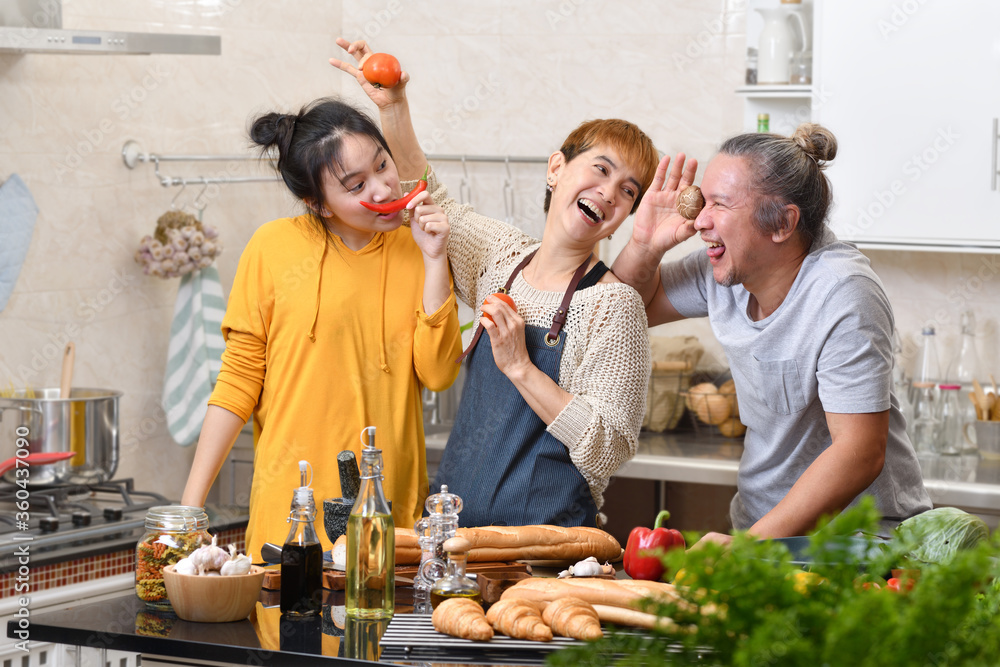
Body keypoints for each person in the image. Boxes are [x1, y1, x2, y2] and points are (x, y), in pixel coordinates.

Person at [331, 39, 656, 528]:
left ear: (623, 216)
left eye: (627, 191)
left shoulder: (615, 306)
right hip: (456, 545)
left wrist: (522, 368)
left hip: (544, 557)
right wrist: (395, 107)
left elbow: (607, 446)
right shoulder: (500, 257)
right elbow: (426, 193)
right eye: (601, 170)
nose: (608, 193)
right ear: (556, 169)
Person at [612, 123, 933, 543]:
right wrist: (644, 244)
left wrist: (748, 548)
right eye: (702, 202)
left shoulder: (841, 291)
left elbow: (859, 453)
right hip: (764, 537)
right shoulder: (723, 271)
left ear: (782, 223)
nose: (698, 221)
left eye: (720, 205)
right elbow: (619, 309)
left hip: (858, 544)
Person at [181, 97, 462, 561]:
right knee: (287, 632)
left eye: (383, 164)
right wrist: (191, 508)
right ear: (319, 203)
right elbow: (237, 383)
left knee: (384, 632)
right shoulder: (272, 249)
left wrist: (434, 261)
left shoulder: (418, 247)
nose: (381, 187)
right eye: (356, 185)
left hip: (388, 519)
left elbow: (438, 374)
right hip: (291, 519)